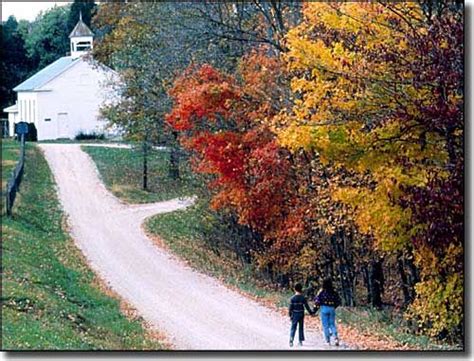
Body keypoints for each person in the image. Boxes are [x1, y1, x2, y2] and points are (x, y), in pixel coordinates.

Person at [314, 278, 341, 346]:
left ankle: (328, 341)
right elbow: (338, 301)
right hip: (332, 308)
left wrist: (314, 310)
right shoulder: (333, 291)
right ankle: (335, 337)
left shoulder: (321, 291)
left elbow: (317, 301)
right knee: (332, 324)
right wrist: (334, 307)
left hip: (324, 308)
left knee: (325, 325)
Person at [288, 283, 315, 347]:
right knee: (301, 327)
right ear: (301, 289)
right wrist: (311, 313)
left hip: (294, 314)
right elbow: (307, 307)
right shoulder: (303, 298)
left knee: (293, 327)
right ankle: (300, 341)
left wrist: (290, 315)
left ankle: (291, 340)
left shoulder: (292, 298)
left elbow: (290, 308)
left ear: (295, 289)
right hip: (301, 314)